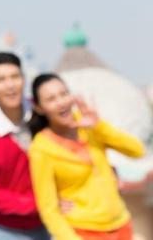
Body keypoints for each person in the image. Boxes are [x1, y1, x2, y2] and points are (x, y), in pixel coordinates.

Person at [28, 73, 145, 240]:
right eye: (51, 99)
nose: (61, 102)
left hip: (122, 226)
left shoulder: (89, 124)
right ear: (39, 108)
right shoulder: (41, 148)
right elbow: (48, 209)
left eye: (64, 94)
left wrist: (98, 126)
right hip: (83, 231)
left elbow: (137, 150)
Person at [0, 52, 50, 240]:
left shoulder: (44, 113)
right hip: (1, 229)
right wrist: (39, 204)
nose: (10, 85)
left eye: (15, 77)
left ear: (23, 78)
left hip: (46, 223)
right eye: (1, 79)